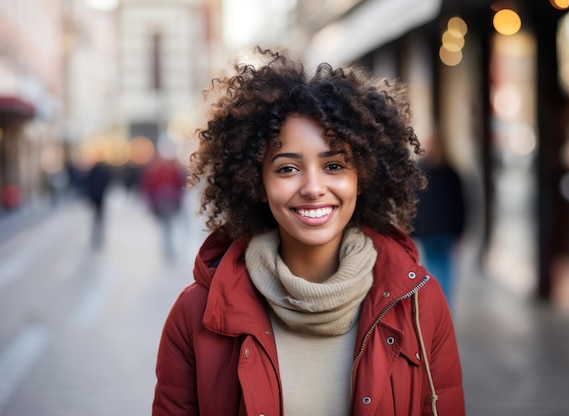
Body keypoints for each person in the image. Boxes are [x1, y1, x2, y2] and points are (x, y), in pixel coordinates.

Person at [152, 47, 465, 416]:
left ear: (362, 176)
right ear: (257, 182)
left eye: (334, 165)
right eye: (287, 169)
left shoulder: (419, 304)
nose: (313, 187)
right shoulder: (195, 314)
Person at [411, 135, 466, 303]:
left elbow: (460, 204)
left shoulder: (426, 171)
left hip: (433, 230)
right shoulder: (449, 172)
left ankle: (439, 304)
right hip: (439, 230)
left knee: (436, 268)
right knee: (443, 267)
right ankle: (442, 305)